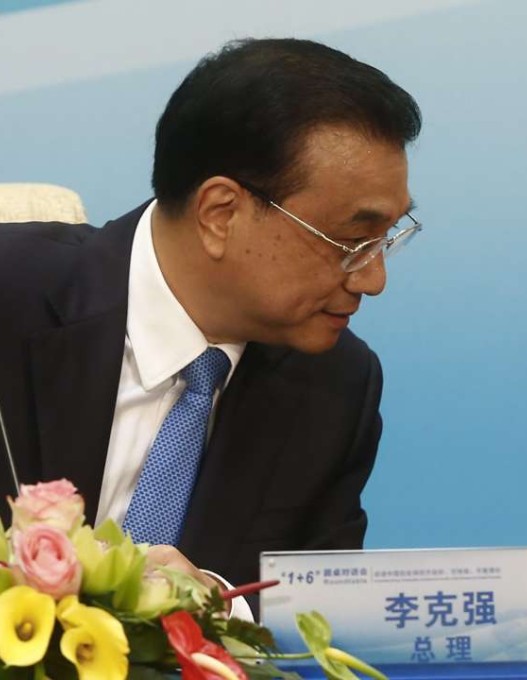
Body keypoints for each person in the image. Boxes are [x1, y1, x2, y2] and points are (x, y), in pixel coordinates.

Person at [0, 38, 422, 610]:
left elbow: (314, 614)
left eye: (386, 240)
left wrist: (217, 606)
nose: (373, 280)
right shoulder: (13, 297)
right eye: (351, 241)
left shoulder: (335, 386)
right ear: (221, 213)